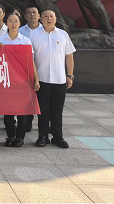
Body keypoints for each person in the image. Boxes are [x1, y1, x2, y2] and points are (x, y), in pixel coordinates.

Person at [30, 9, 75, 148]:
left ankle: (57, 136)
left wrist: (70, 75)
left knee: (57, 111)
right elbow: (30, 58)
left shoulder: (63, 34)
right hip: (42, 79)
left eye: (52, 16)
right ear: (40, 19)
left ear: (56, 19)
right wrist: (35, 78)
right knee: (43, 111)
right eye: (46, 16)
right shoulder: (34, 34)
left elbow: (69, 56)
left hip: (59, 79)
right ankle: (43, 136)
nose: (49, 18)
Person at [0, 12, 40, 147]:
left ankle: (20, 137)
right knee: (8, 111)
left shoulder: (25, 40)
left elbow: (31, 61)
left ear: (20, 23)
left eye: (16, 21)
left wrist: (36, 79)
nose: (13, 23)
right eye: (10, 21)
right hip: (7, 80)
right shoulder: (1, 40)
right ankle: (10, 136)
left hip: (23, 81)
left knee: (22, 111)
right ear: (6, 23)